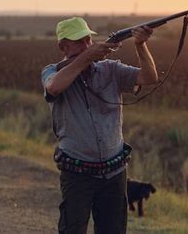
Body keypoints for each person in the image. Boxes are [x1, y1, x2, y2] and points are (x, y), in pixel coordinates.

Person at [41, 17, 158, 234]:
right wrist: (85, 59)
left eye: (87, 40)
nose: (86, 45)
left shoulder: (110, 69)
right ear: (62, 47)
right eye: (78, 42)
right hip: (77, 175)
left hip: (114, 174)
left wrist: (140, 45)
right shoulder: (52, 71)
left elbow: (149, 77)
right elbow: (54, 87)